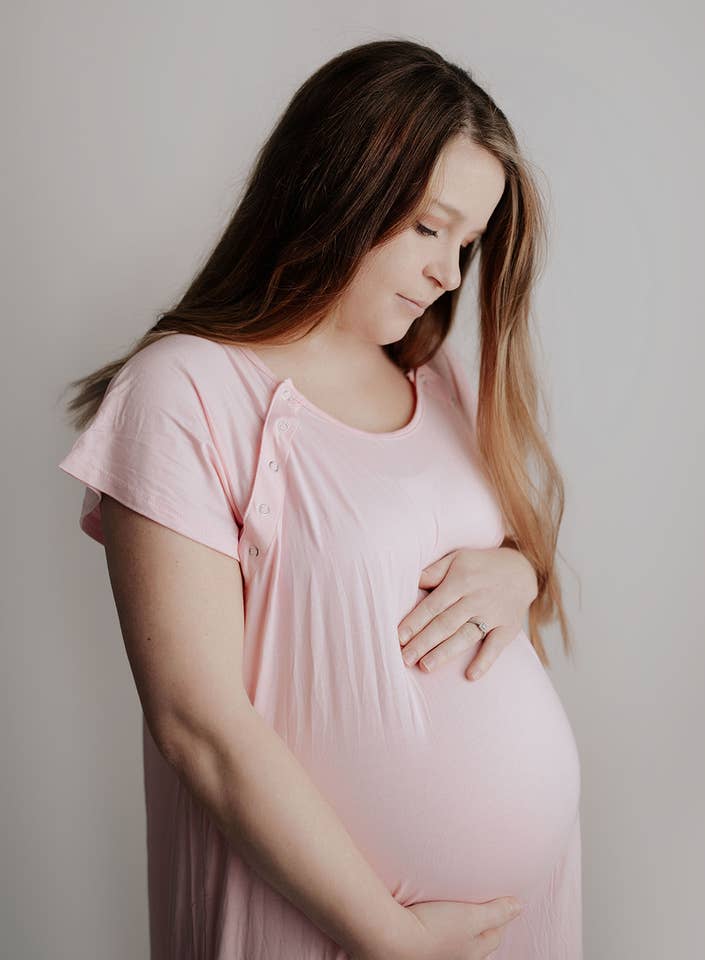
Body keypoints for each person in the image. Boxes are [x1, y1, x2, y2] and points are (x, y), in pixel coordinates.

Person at [57, 38, 582, 960]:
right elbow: (198, 725)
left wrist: (518, 576)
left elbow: (479, 575)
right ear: (335, 186)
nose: (450, 276)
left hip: (521, 922)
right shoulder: (186, 391)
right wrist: (389, 939)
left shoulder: (441, 381)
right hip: (332, 931)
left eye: (466, 243)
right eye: (428, 227)